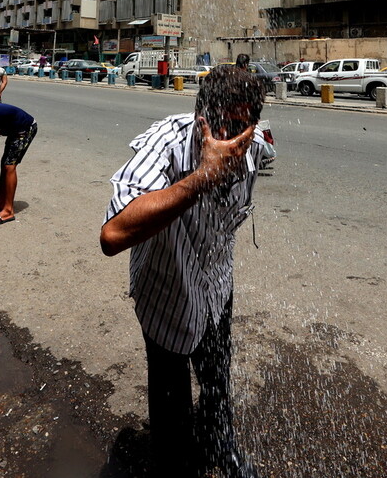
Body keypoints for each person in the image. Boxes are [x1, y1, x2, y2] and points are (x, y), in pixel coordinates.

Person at [101, 66, 265, 478]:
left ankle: (220, 445)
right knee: (170, 394)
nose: (231, 140)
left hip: (217, 286)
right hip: (166, 292)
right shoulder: (167, 143)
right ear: (201, 117)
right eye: (222, 126)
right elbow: (114, 233)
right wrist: (202, 178)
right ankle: (174, 463)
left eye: (242, 127)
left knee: (216, 377)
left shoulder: (255, 142)